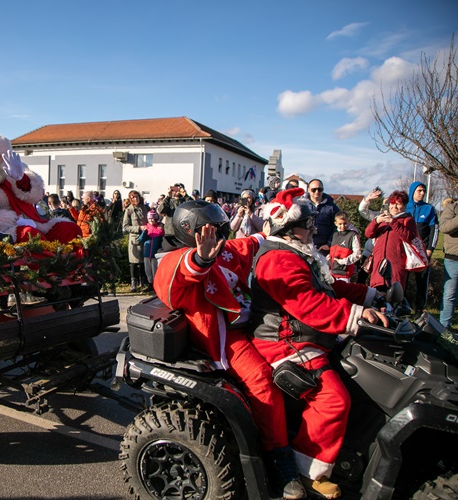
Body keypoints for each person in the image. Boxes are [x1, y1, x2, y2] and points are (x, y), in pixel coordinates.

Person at [154, 200, 305, 500]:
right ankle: (279, 459)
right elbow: (182, 273)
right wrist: (200, 258)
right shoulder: (176, 258)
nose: (220, 234)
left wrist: (277, 229)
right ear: (191, 232)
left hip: (256, 323)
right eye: (212, 230)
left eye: (221, 228)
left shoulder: (225, 250)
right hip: (228, 338)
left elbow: (248, 243)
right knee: (263, 381)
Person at [251, 188, 385, 499]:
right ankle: (309, 471)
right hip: (285, 342)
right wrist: (357, 314)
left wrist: (370, 296)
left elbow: (328, 285)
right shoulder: (277, 259)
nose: (314, 227)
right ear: (287, 227)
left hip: (305, 336)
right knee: (334, 399)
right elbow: (309, 304)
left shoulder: (297, 251)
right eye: (308, 222)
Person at [0, 133, 81, 244]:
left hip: (33, 223)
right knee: (29, 234)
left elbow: (36, 195)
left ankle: (70, 262)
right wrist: (10, 221)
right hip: (3, 231)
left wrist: (21, 178)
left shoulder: (13, 172)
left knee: (69, 228)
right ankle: (51, 261)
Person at [364, 190, 420, 292]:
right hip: (379, 263)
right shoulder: (383, 219)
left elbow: (409, 236)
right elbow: (368, 234)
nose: (394, 207)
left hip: (396, 264)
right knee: (377, 294)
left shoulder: (408, 220)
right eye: (392, 203)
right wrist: (376, 222)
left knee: (394, 294)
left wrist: (393, 222)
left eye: (398, 204)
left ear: (404, 205)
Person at [406, 181, 439, 314]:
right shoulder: (405, 207)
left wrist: (430, 248)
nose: (422, 193)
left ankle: (419, 308)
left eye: (424, 191)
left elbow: (434, 229)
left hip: (422, 251)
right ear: (413, 191)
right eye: (419, 190)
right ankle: (403, 306)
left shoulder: (429, 209)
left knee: (422, 281)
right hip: (407, 251)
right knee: (403, 280)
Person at [123, 190, 148, 292]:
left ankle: (143, 282)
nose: (135, 199)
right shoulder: (129, 210)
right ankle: (133, 282)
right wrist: (138, 228)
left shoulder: (145, 208)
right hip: (135, 239)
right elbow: (125, 227)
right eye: (132, 197)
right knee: (133, 262)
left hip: (146, 237)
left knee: (143, 262)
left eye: (136, 196)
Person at [305, 179, 339, 256]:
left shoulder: (332, 207)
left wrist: (329, 244)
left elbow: (337, 227)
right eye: (314, 190)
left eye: (320, 189)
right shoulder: (302, 205)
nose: (317, 192)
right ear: (309, 190)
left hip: (323, 249)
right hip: (305, 247)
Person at [439, 197, 458, 331]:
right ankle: (444, 329)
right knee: (449, 295)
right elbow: (444, 227)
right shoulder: (452, 208)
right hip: (453, 259)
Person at [328, 212, 362, 282]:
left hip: (345, 273)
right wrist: (328, 259)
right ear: (335, 223)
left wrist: (343, 261)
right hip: (332, 272)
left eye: (345, 223)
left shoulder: (353, 235)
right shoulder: (335, 235)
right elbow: (333, 252)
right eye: (340, 224)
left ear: (348, 222)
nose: (343, 226)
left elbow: (358, 254)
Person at [139, 210, 164, 292]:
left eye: (152, 219)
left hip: (155, 253)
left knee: (155, 270)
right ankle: (150, 284)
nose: (151, 221)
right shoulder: (146, 228)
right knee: (148, 270)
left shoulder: (159, 228)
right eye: (149, 219)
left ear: (156, 219)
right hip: (147, 253)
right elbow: (141, 239)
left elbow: (162, 240)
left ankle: (156, 285)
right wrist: (144, 232)